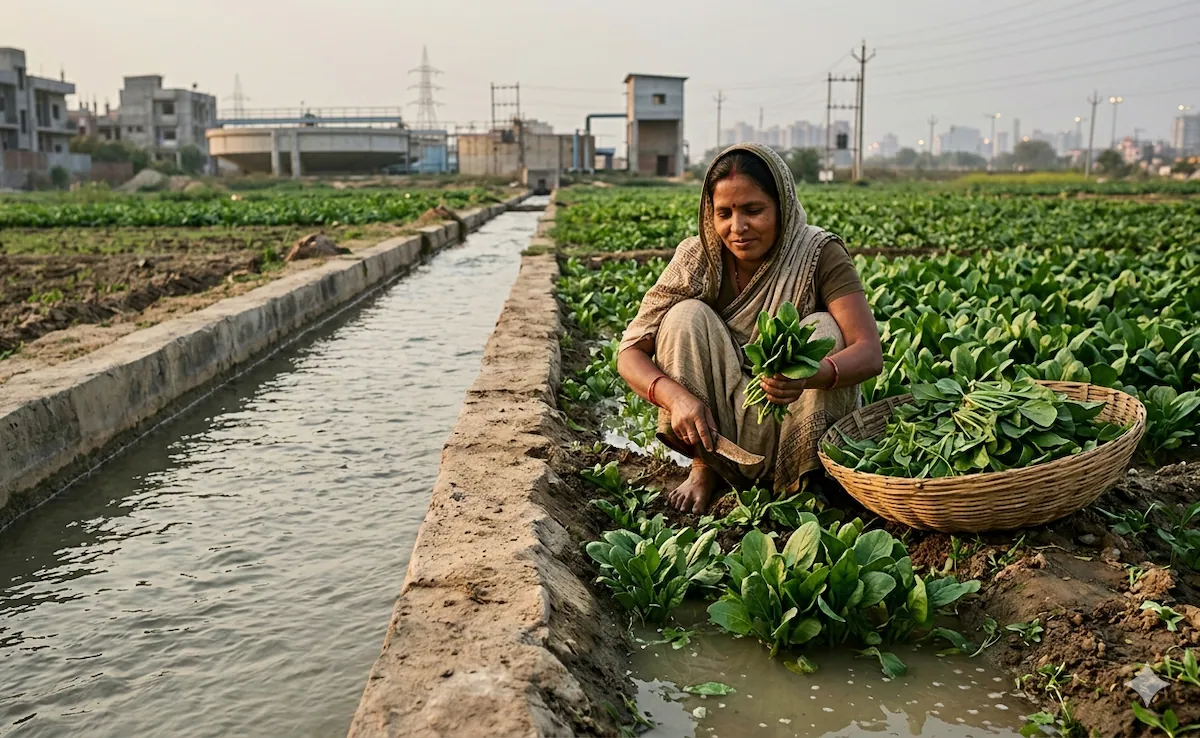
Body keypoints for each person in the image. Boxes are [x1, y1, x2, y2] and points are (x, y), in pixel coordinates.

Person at [616, 143, 883, 514]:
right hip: (717, 422)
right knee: (684, 316)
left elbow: (868, 351)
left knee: (822, 329)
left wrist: (810, 374)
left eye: (754, 211)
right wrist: (676, 399)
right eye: (724, 213)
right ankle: (705, 468)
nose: (737, 228)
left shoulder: (817, 253)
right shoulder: (698, 258)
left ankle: (805, 480)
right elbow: (630, 352)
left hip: (795, 414)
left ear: (782, 207)